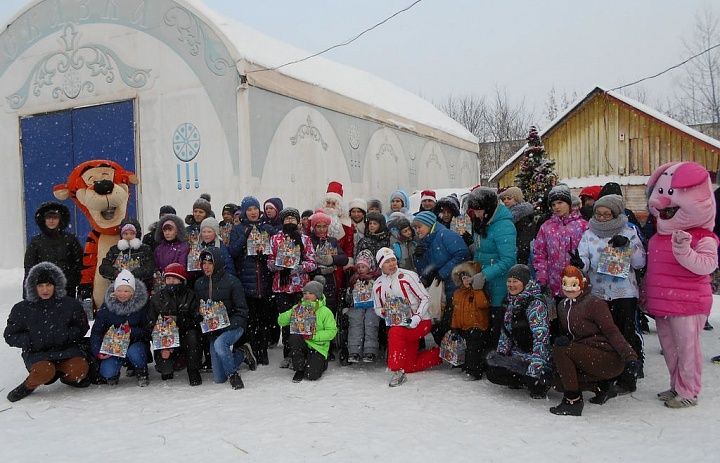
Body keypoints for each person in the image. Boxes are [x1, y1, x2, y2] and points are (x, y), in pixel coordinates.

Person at [574, 194, 646, 393]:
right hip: (598, 293)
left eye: (607, 214)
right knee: (603, 336)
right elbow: (584, 257)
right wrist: (580, 264)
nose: (602, 218)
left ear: (616, 213)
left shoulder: (629, 230)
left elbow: (640, 263)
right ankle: (606, 374)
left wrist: (628, 247)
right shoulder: (589, 233)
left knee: (624, 334)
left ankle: (628, 376)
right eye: (599, 213)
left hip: (624, 293)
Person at [550, 265, 640, 416]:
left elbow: (612, 332)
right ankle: (601, 386)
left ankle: (573, 401)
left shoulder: (594, 304)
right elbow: (571, 333)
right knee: (557, 381)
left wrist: (630, 356)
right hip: (584, 355)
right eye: (565, 283)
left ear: (582, 283)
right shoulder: (563, 306)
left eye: (574, 284)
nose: (569, 288)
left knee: (562, 352)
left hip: (606, 357)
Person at [4, 262, 90, 402]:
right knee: (45, 371)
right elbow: (10, 335)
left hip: (66, 350)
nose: (45, 289)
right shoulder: (22, 308)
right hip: (38, 353)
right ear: (33, 287)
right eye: (40, 285)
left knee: (79, 368)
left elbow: (81, 327)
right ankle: (28, 385)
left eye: (49, 285)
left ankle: (68, 379)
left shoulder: (70, 304)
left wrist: (66, 336)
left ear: (56, 286)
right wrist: (31, 340)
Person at [372, 248, 441, 387]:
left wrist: (416, 317)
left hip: (421, 321)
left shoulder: (408, 276)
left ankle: (397, 370)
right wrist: (386, 312)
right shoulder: (377, 285)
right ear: (381, 265)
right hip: (399, 324)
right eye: (387, 261)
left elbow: (425, 298)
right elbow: (377, 308)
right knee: (409, 366)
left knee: (395, 332)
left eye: (393, 260)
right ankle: (439, 354)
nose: (391, 264)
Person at [486, 265, 551, 399]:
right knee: (493, 372)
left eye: (515, 281)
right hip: (519, 352)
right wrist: (500, 357)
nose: (511, 285)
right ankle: (520, 379)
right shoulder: (509, 300)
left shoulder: (535, 304)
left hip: (537, 356)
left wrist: (535, 368)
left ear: (525, 282)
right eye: (509, 281)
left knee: (535, 382)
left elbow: (541, 339)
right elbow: (506, 333)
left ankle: (540, 381)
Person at [465, 187, 517, 349]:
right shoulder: (483, 222)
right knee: (483, 324)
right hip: (483, 282)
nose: (477, 214)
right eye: (475, 211)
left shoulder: (504, 226)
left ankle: (496, 358)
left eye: (480, 210)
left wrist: (485, 275)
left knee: (497, 326)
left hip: (499, 284)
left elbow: (508, 260)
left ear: (489, 208)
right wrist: (472, 271)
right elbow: (480, 252)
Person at [228, 196, 276, 366]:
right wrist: (245, 238)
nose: (253, 212)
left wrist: (266, 255)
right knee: (249, 320)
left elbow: (277, 251)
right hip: (245, 281)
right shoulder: (238, 229)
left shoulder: (267, 229)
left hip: (263, 280)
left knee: (264, 320)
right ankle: (251, 350)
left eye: (255, 208)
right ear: (244, 212)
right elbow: (232, 252)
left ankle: (262, 351)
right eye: (249, 209)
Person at [194, 248, 251, 389]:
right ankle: (243, 353)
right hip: (213, 329)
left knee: (220, 344)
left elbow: (242, 310)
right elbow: (196, 309)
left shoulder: (232, 282)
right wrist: (199, 312)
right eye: (204, 263)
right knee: (219, 378)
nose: (206, 266)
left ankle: (233, 375)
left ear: (217, 263)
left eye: (210, 263)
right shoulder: (199, 283)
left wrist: (227, 324)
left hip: (234, 326)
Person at [268, 207, 317, 366]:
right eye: (287, 219)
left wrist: (300, 267)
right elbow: (269, 261)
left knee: (303, 320)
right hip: (281, 287)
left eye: (292, 218)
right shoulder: (275, 239)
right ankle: (288, 354)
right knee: (286, 321)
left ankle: (303, 351)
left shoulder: (305, 239)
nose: (290, 221)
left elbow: (312, 263)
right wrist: (277, 266)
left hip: (301, 287)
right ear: (282, 221)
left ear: (297, 221)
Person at [90, 269, 151, 387]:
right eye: (119, 290)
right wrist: (98, 351)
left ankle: (141, 370)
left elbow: (149, 330)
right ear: (114, 290)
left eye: (126, 291)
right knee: (107, 373)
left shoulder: (142, 306)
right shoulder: (106, 307)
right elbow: (96, 332)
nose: (122, 294)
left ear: (132, 292)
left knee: (135, 352)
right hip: (114, 347)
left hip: (135, 343)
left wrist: (132, 331)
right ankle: (114, 372)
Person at [147, 263, 204, 385]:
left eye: (174, 278)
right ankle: (167, 362)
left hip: (186, 335)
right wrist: (163, 344)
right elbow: (151, 323)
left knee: (193, 336)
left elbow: (197, 320)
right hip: (165, 339)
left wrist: (177, 320)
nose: (171, 281)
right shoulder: (157, 298)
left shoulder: (191, 295)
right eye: (168, 278)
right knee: (165, 371)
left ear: (181, 280)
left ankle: (193, 370)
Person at [533, 184, 588, 299]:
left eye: (560, 203)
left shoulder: (582, 225)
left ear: (568, 203)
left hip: (576, 284)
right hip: (554, 284)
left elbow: (590, 253)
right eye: (553, 204)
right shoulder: (546, 227)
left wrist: (582, 264)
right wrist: (542, 277)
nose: (556, 207)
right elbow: (539, 254)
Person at [278, 278, 338, 382]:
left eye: (310, 293)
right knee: (294, 337)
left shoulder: (325, 311)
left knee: (311, 375)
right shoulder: (298, 307)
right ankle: (299, 368)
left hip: (318, 346)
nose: (307, 295)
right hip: (302, 343)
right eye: (305, 293)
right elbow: (281, 321)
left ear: (317, 295)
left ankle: (321, 362)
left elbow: (332, 331)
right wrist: (292, 313)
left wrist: (313, 335)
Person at [412, 211, 470, 317]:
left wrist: (443, 272)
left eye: (419, 227)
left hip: (454, 284)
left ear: (429, 224)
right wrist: (418, 257)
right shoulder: (425, 241)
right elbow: (424, 270)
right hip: (440, 288)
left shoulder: (446, 235)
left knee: (453, 317)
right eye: (415, 228)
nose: (417, 230)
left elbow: (462, 254)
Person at [24, 202, 83, 298]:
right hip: (43, 289)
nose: (51, 221)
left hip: (67, 288)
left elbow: (79, 265)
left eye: (55, 217)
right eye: (48, 218)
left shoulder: (70, 240)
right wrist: (28, 294)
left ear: (60, 220)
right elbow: (29, 268)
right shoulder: (36, 242)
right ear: (44, 220)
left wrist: (74, 282)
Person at [450, 261, 490, 381]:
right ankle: (465, 365)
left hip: (477, 326)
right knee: (465, 348)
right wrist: (454, 327)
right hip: (463, 326)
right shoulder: (458, 293)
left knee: (474, 349)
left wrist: (477, 290)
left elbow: (483, 305)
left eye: (469, 278)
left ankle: (474, 371)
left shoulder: (478, 292)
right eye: (464, 278)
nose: (466, 281)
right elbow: (455, 312)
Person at [346, 250, 381, 363]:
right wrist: (351, 295)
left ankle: (370, 350)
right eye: (359, 266)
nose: (360, 269)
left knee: (370, 322)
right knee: (355, 322)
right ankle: (354, 350)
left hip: (372, 306)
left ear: (369, 267)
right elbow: (348, 294)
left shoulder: (375, 279)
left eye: (363, 266)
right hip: (357, 306)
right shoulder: (354, 279)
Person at [99, 220, 155, 288]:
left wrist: (133, 274)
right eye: (125, 233)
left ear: (136, 234)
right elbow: (103, 268)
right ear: (121, 235)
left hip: (140, 287)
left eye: (132, 233)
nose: (128, 236)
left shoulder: (145, 249)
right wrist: (116, 273)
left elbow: (150, 267)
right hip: (118, 288)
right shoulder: (114, 250)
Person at [498, 187, 536, 266]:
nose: (505, 201)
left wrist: (521, 262)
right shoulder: (507, 215)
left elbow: (524, 242)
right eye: (504, 199)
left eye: (509, 198)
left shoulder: (522, 217)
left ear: (517, 199)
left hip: (520, 257)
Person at [152, 214, 190, 289]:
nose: (167, 233)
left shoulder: (184, 247)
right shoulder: (159, 249)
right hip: (163, 285)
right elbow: (156, 267)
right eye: (165, 230)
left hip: (178, 284)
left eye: (170, 230)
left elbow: (182, 266)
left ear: (176, 231)